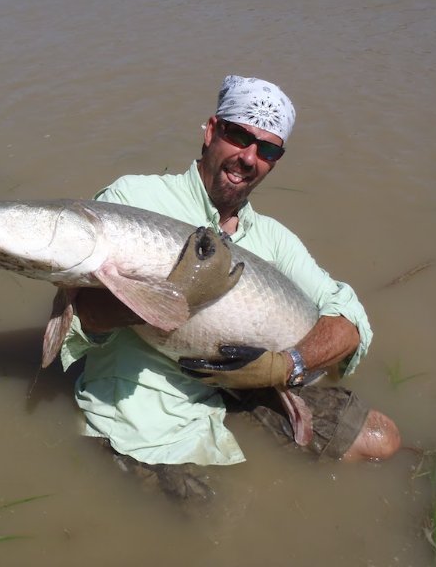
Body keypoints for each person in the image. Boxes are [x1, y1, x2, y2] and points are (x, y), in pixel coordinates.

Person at [59, 75, 400, 497]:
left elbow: (350, 321)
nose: (249, 156)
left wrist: (286, 365)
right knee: (214, 526)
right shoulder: (135, 197)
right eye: (239, 135)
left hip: (245, 388)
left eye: (268, 149)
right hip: (151, 412)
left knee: (381, 440)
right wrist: (180, 295)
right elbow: (83, 313)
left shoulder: (274, 240)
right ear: (211, 131)